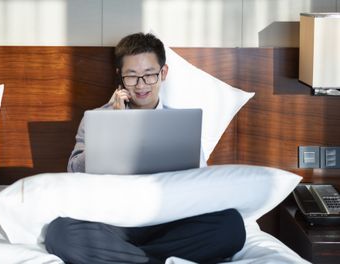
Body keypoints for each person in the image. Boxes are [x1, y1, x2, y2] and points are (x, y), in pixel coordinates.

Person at [45, 32, 246, 264]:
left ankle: (132, 259)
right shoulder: (97, 118)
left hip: (168, 222)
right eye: (132, 77)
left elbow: (200, 181)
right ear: (120, 77)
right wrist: (116, 126)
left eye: (149, 75)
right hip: (114, 223)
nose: (141, 85)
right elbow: (74, 171)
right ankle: (158, 259)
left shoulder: (181, 123)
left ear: (163, 73)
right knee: (60, 233)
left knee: (231, 226)